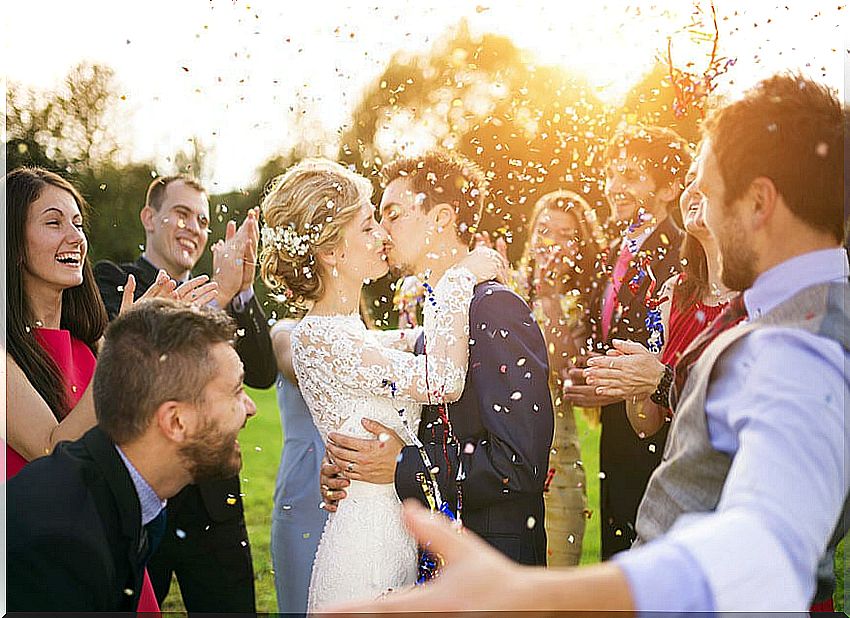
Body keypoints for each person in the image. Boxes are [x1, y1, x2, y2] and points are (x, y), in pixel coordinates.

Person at [334, 72, 849, 614]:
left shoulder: (803, 343)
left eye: (707, 190)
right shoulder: (788, 319)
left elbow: (761, 550)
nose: (697, 211)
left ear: (760, 202)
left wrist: (536, 594)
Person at [259, 156, 505, 608]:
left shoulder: (354, 334)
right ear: (332, 251)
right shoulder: (320, 336)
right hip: (365, 558)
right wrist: (461, 277)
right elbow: (442, 379)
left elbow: (422, 341)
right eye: (370, 225)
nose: (383, 236)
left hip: (395, 540)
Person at [319, 150, 554, 570]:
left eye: (392, 214)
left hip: (492, 568)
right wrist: (353, 462)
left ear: (442, 218)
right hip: (434, 561)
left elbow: (518, 465)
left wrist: (400, 466)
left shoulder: (495, 309)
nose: (381, 232)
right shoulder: (439, 325)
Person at [3, 166, 200, 613]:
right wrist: (124, 347)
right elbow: (53, 451)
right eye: (54, 223)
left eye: (77, 223)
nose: (74, 236)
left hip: (110, 548)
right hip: (41, 562)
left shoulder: (91, 345)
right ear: (13, 243)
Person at [94, 174, 276, 612]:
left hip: (214, 501)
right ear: (149, 218)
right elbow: (128, 362)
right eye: (180, 214)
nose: (192, 227)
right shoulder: (112, 283)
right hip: (139, 502)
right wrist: (215, 299)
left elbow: (265, 373)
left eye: (202, 219)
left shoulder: (226, 294)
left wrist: (241, 293)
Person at [8, 299, 257, 611]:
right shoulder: (62, 546)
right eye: (236, 391)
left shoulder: (120, 492)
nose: (251, 408)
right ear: (175, 421)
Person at [565, 125, 691, 559]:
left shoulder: (684, 254)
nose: (615, 188)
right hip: (616, 437)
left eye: (632, 176)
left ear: (671, 186)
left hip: (665, 439)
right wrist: (591, 380)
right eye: (612, 174)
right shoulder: (612, 252)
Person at [582, 157, 737, 437]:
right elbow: (647, 424)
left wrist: (661, 381)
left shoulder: (759, 296)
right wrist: (634, 384)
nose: (694, 188)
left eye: (707, 179)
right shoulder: (672, 292)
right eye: (690, 181)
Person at [498, 189, 606, 565]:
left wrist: (549, 298)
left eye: (566, 235)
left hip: (557, 469)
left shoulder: (585, 303)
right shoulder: (504, 290)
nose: (554, 243)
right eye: (546, 230)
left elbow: (564, 371)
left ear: (580, 247)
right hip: (500, 469)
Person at [268, 319, 328, 614]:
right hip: (306, 480)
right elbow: (296, 370)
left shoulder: (365, 332)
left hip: (361, 478)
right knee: (300, 600)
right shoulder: (285, 332)